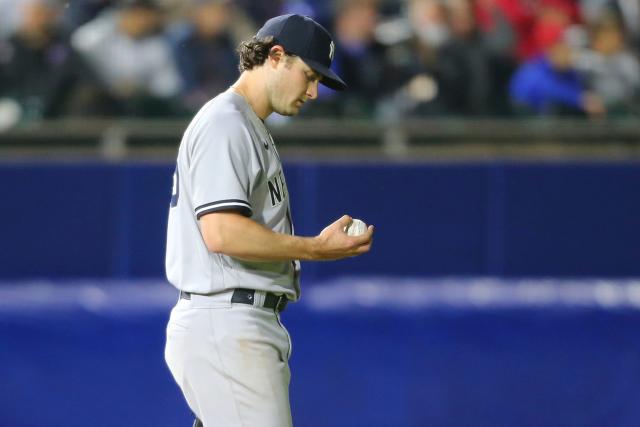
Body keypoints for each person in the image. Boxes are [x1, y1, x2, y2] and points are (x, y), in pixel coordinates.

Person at [164, 14, 374, 427]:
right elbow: (222, 232)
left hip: (235, 321)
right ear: (276, 56)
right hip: (226, 319)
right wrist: (316, 248)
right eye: (309, 75)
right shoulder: (227, 122)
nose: (313, 92)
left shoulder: (246, 124)